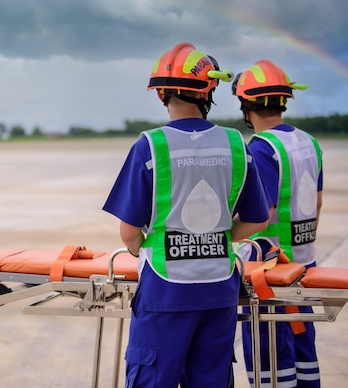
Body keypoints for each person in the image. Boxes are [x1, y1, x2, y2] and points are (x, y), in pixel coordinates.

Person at [103, 42, 272, 388]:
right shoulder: (237, 144)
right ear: (208, 90)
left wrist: (141, 250)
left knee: (153, 378)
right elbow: (258, 220)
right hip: (219, 289)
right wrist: (219, 238)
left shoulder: (150, 146)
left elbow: (129, 232)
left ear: (161, 93)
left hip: (165, 292)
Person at [233, 60, 323, 387]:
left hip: (270, 266)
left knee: (269, 352)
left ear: (246, 104)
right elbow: (318, 202)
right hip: (304, 260)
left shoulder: (262, 148)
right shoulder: (308, 143)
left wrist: (225, 235)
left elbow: (263, 214)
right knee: (303, 351)